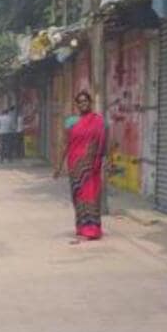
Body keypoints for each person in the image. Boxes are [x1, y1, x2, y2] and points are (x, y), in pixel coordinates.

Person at [58, 90, 106, 242]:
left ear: (90, 102)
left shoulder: (99, 121)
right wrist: (59, 166)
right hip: (75, 166)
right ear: (77, 105)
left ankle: (93, 228)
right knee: (78, 197)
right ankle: (81, 226)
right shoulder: (71, 122)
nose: (83, 104)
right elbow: (65, 144)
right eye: (80, 102)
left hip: (93, 166)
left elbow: (105, 142)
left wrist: (106, 160)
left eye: (85, 101)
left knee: (92, 195)